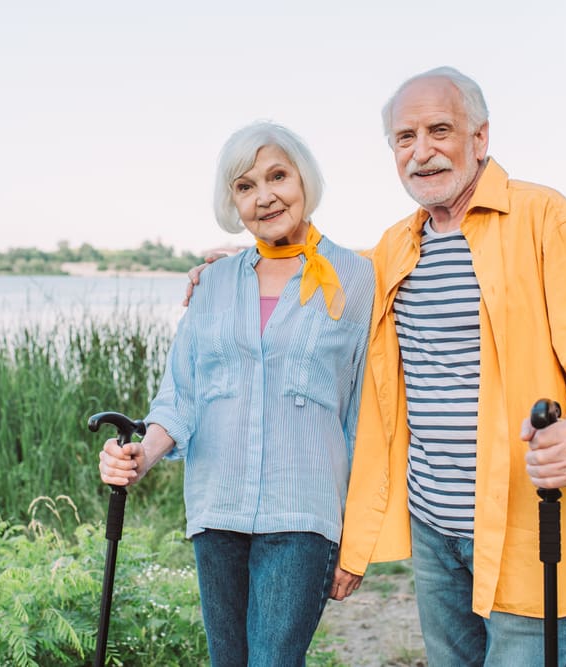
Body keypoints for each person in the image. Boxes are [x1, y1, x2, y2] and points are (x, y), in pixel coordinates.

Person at [337, 66, 566, 665]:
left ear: (480, 139)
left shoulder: (546, 219)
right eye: (405, 138)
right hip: (432, 527)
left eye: (440, 130)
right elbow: (326, 273)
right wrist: (248, 263)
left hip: (526, 524)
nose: (422, 152)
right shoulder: (396, 246)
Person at [98, 120, 374, 667]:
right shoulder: (215, 283)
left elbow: (365, 416)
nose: (264, 196)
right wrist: (140, 455)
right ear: (234, 201)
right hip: (216, 509)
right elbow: (180, 395)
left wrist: (360, 539)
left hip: (303, 515)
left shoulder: (359, 278)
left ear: (304, 180)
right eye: (245, 186)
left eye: (278, 176)